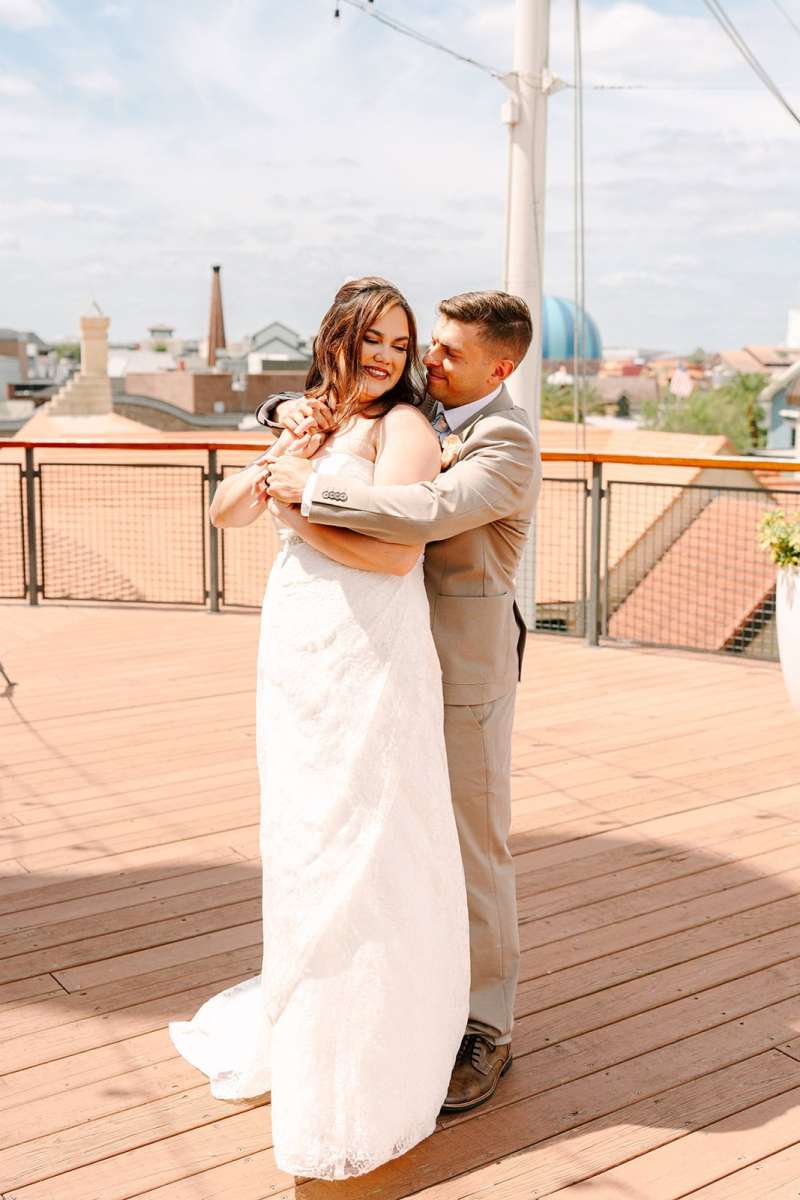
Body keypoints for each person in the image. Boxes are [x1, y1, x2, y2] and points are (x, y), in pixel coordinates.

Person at [168, 277, 471, 1180]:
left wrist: (300, 516)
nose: (386, 356)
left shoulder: (404, 429)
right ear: (338, 338)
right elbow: (225, 512)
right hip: (298, 648)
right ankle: (303, 1026)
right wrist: (277, 462)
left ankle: (372, 1061)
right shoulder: (315, 418)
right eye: (372, 338)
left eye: (400, 344)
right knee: (304, 843)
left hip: (370, 650)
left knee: (364, 843)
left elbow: (397, 557)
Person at [263, 289, 542, 1114]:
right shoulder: (431, 407)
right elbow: (349, 396)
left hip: (460, 674)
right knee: (392, 834)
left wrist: (309, 489)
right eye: (433, 344)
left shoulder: (506, 442)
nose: (429, 359)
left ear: (501, 367)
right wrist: (283, 409)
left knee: (473, 844)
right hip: (386, 661)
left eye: (450, 352)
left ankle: (486, 1027)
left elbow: (426, 511)